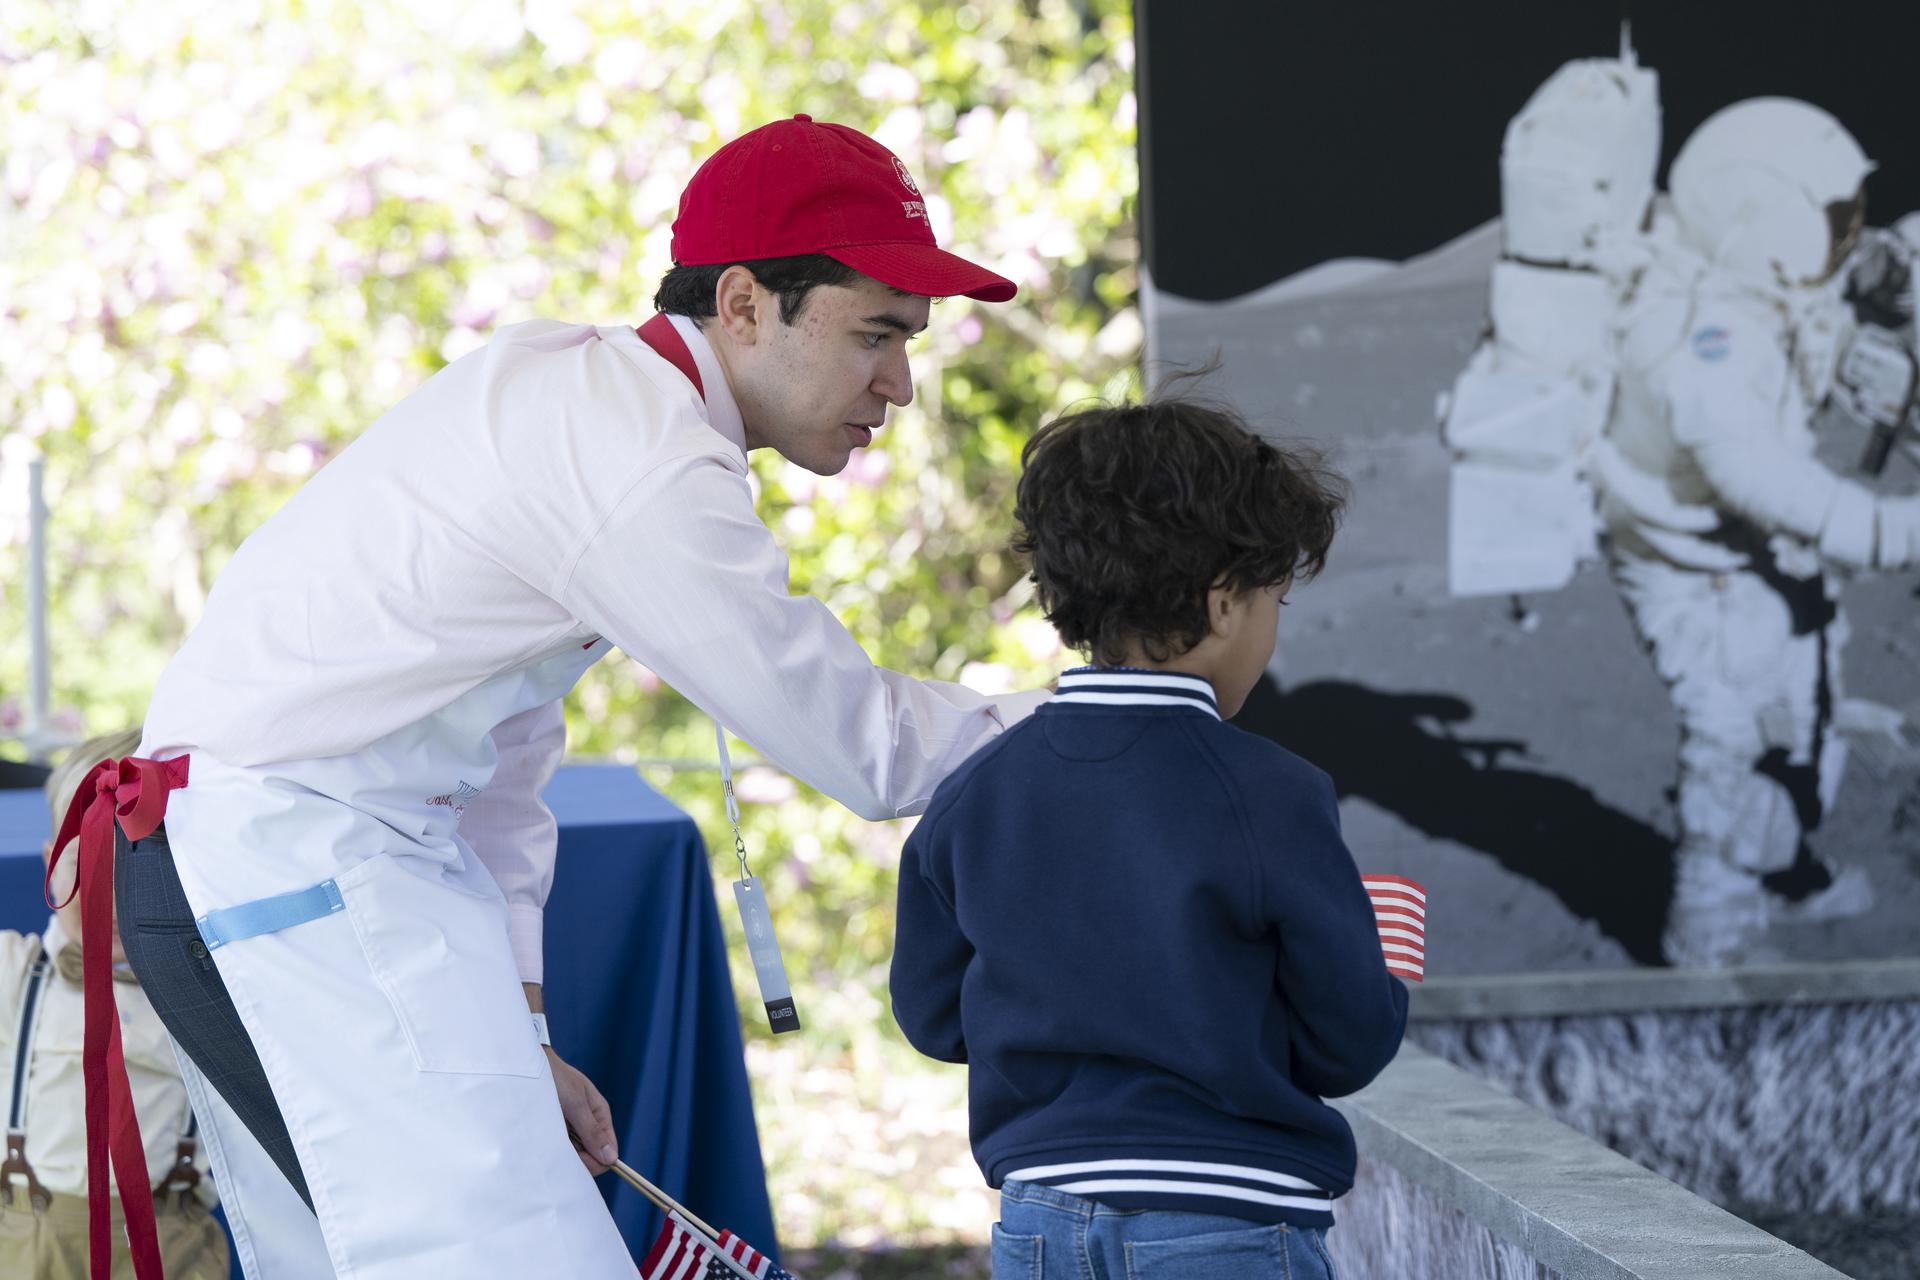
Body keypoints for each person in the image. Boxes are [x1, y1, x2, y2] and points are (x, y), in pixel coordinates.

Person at [57, 115, 1049, 1279]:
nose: (904, 383)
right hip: (289, 869)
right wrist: (1103, 714)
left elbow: (504, 762)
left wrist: (525, 1034)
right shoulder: (638, 451)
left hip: (241, 867)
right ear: (742, 303)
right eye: (877, 333)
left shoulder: (574, 390)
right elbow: (864, 747)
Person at [890, 399, 1408, 1280]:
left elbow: (932, 1015)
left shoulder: (977, 788)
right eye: (1272, 600)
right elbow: (1348, 1040)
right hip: (1230, 1221)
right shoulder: (1273, 794)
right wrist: (1386, 962)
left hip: (1041, 1214)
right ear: (1220, 607)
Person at [1598, 100, 1920, 966]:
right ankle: (1708, 941)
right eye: (1835, 218)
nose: (1849, 235)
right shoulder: (1703, 344)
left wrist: (1888, 263)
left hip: (1742, 543)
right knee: (1734, 733)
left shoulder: (1750, 280)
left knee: (1804, 698)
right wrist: (1902, 531)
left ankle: (1782, 867)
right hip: (1689, 560)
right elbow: (1771, 483)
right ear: (1767, 219)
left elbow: (1830, 311)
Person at [1, 730, 227, 1279]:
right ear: (51, 862)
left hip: (169, 1241)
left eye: (139, 868)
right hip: (29, 1240)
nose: (114, 894)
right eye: (93, 861)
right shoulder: (13, 970)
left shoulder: (219, 993)